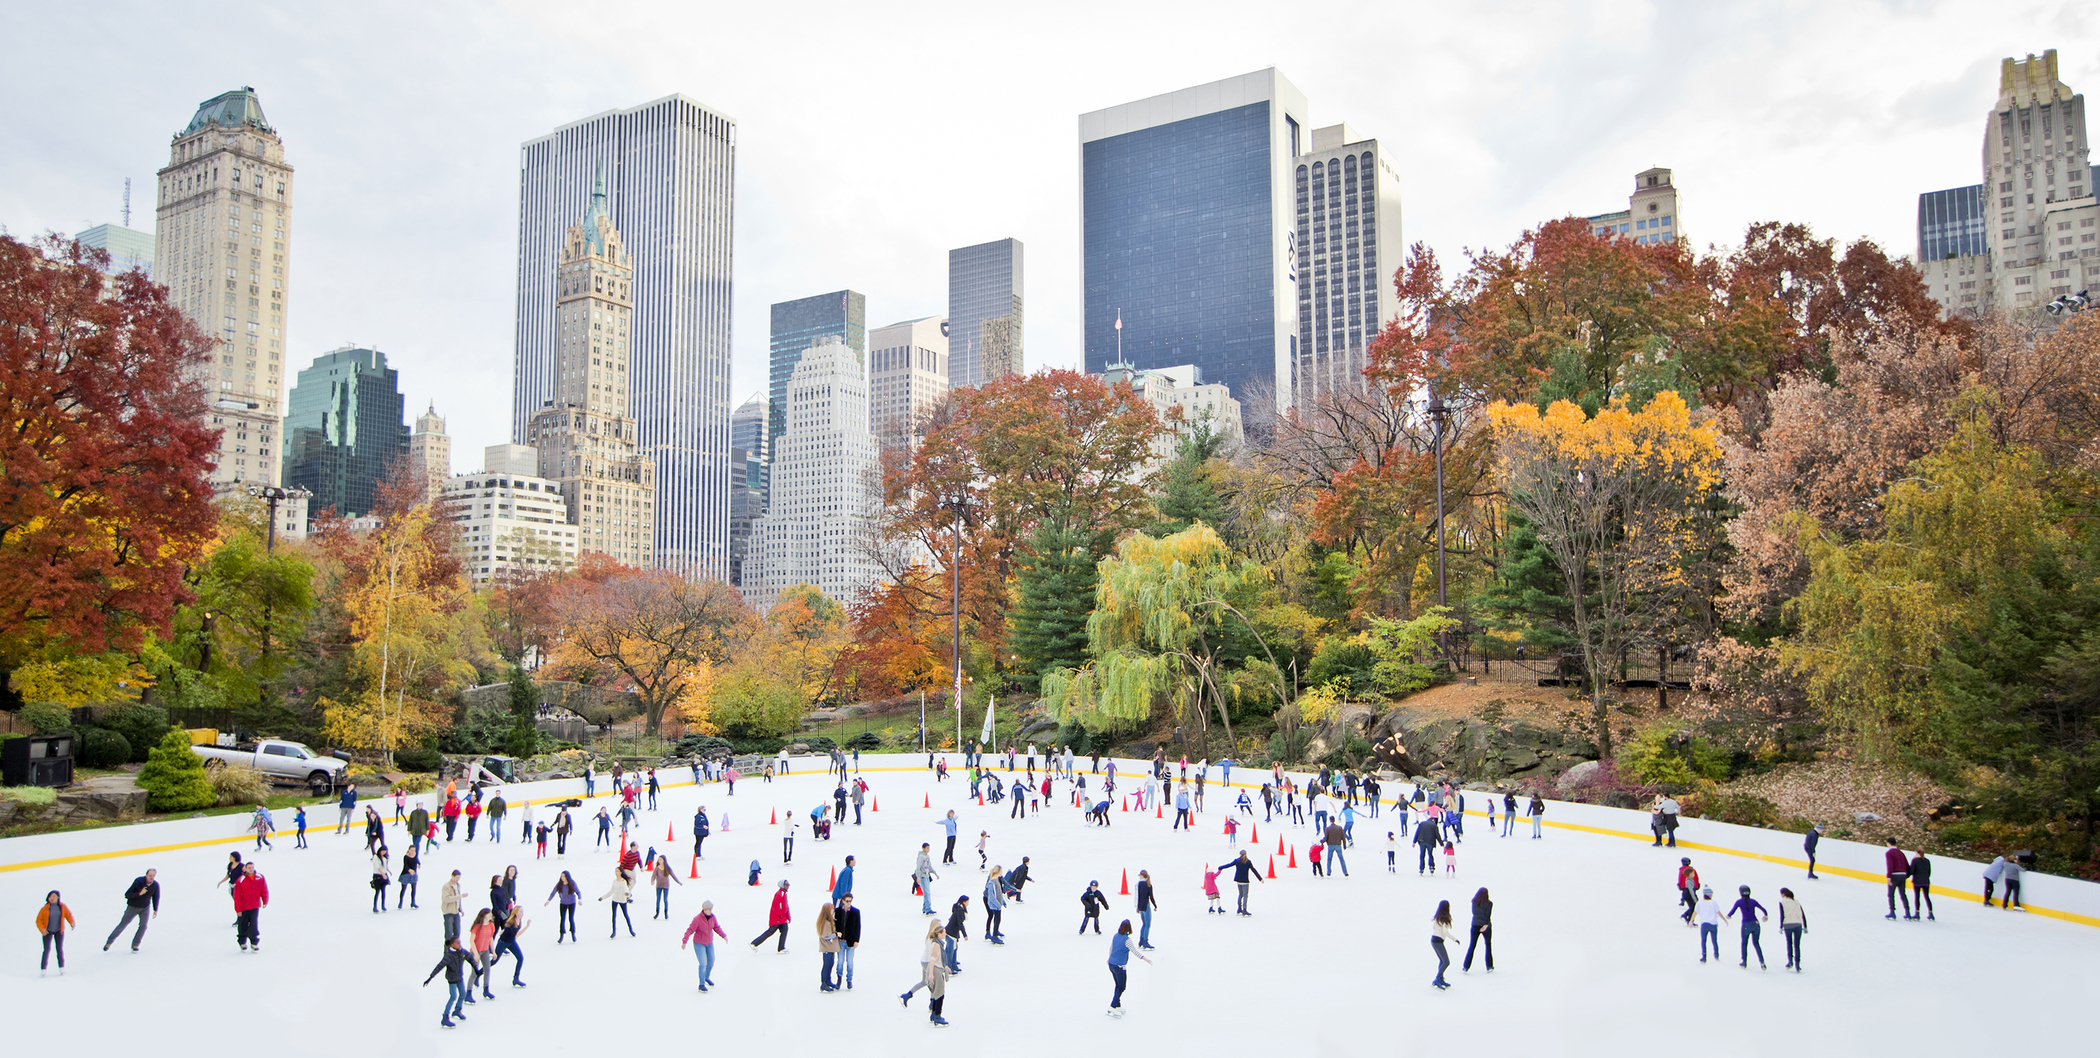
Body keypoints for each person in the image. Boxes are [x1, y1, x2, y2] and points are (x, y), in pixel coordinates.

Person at [422, 935, 479, 1027]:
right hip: (452, 979)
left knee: (463, 994)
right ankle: (445, 1017)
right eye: (458, 943)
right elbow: (439, 966)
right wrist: (430, 978)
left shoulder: (462, 952)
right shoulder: (449, 956)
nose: (460, 944)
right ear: (452, 945)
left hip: (459, 977)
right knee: (453, 996)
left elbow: (470, 959)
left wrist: (477, 970)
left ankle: (457, 1010)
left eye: (460, 942)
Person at [103, 869, 159, 952]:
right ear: (146, 875)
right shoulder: (138, 882)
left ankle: (135, 944)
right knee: (123, 925)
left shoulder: (155, 885)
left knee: (143, 926)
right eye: (150, 876)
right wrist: (139, 894)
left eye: (153, 876)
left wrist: (155, 909)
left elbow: (156, 896)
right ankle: (109, 942)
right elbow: (127, 894)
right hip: (133, 907)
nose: (151, 877)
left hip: (145, 908)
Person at [1106, 919, 1151, 1018]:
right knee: (1122, 987)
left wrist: (1109, 958)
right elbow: (1135, 951)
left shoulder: (1115, 936)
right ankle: (1112, 1006)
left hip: (1111, 964)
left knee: (1118, 985)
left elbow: (1111, 948)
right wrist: (1146, 959)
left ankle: (1117, 1005)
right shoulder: (1127, 940)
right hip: (1119, 966)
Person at [681, 900, 726, 991]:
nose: (710, 911)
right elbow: (690, 930)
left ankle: (706, 977)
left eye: (711, 909)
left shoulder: (712, 917)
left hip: (709, 943)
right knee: (703, 963)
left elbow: (716, 927)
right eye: (708, 909)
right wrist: (684, 941)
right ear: (704, 910)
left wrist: (723, 935)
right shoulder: (697, 919)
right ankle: (701, 984)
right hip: (699, 944)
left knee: (711, 961)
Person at [1726, 884, 1768, 969]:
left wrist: (1728, 916)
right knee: (1756, 943)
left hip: (1746, 924)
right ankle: (1762, 962)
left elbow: (1731, 913)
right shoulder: (1753, 901)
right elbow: (1764, 910)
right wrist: (1765, 916)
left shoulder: (1739, 902)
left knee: (1744, 943)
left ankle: (1744, 962)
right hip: (1755, 924)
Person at [489, 906, 529, 988]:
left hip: (511, 942)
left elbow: (510, 931)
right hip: (503, 943)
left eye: (522, 911)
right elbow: (516, 934)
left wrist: (504, 930)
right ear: (516, 913)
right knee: (494, 961)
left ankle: (516, 978)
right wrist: (527, 926)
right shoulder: (511, 922)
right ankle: (478, 973)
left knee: (520, 958)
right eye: (520, 911)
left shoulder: (519, 920)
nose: (522, 913)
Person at [233, 861, 268, 952]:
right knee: (242, 925)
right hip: (244, 907)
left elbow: (264, 889)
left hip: (255, 906)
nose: (251, 869)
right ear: (245, 868)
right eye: (249, 868)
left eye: (252, 867)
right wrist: (238, 909)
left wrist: (265, 900)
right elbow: (237, 896)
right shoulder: (240, 880)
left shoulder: (259, 877)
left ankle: (254, 943)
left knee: (254, 925)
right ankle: (242, 942)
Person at [36, 890, 73, 975]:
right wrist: (42, 929)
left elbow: (68, 915)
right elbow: (38, 920)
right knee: (46, 949)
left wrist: (72, 923)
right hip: (47, 931)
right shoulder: (44, 908)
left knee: (59, 949)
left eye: (54, 896)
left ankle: (61, 967)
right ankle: (43, 969)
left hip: (59, 931)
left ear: (58, 897)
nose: (52, 898)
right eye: (50, 897)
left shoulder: (62, 907)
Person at [750, 879, 792, 952]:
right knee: (770, 932)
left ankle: (781, 948)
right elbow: (775, 906)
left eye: (788, 884)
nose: (788, 886)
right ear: (782, 885)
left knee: (784, 930)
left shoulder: (784, 894)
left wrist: (787, 916)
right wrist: (781, 915)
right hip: (778, 919)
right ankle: (754, 943)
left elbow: (786, 906)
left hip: (782, 919)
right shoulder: (780, 894)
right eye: (786, 884)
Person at [466, 909, 499, 1000]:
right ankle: (468, 993)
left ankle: (486, 990)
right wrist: (475, 953)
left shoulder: (491, 925)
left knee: (487, 970)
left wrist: (493, 951)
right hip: (475, 951)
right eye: (489, 914)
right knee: (474, 973)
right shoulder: (477, 926)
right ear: (484, 915)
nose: (491, 915)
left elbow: (490, 938)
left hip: (485, 951)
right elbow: (471, 940)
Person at [1221, 850, 1265, 916]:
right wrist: (1260, 879)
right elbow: (1254, 870)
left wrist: (1221, 867)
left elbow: (1229, 865)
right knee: (1245, 896)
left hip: (1238, 880)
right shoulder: (1248, 862)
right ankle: (1244, 909)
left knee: (1240, 894)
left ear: (1240, 854)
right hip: (1245, 881)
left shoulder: (1237, 861)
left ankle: (1239, 908)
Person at [1462, 887, 1493, 972]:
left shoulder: (1474, 902)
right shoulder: (1489, 903)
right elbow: (1488, 915)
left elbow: (1474, 913)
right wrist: (1486, 924)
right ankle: (1489, 966)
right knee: (1488, 945)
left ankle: (1466, 966)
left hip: (1475, 925)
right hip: (1485, 926)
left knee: (1472, 945)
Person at [600, 867, 636, 938]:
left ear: (620, 872)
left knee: (626, 915)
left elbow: (626, 889)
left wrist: (626, 894)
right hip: (615, 900)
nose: (616, 873)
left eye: (617, 871)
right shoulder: (614, 881)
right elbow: (611, 892)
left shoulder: (623, 882)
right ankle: (613, 932)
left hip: (622, 900)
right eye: (615, 871)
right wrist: (602, 897)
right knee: (614, 916)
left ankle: (631, 930)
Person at [1777, 888, 1807, 972]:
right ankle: (1798, 964)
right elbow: (1802, 914)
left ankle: (1790, 961)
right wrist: (1805, 925)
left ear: (1783, 894)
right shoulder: (1796, 902)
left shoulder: (1782, 902)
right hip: (1798, 924)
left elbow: (1782, 915)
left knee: (1789, 943)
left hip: (1788, 925)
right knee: (1797, 945)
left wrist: (1781, 926)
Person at [835, 892, 862, 987]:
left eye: (850, 901)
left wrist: (856, 940)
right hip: (841, 941)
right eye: (847, 901)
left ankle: (849, 980)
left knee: (850, 962)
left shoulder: (855, 912)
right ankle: (839, 978)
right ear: (843, 901)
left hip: (850, 941)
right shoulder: (838, 911)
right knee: (840, 961)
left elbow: (858, 927)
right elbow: (835, 925)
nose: (849, 903)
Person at [1882, 837, 1912, 920]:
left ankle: (1892, 912)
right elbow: (1907, 866)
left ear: (1888, 843)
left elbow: (1890, 866)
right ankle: (1907, 912)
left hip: (1895, 875)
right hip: (1903, 875)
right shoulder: (1901, 853)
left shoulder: (1889, 853)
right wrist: (1906, 875)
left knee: (1891, 894)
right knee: (1903, 894)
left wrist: (1888, 877)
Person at [1429, 900, 1457, 990]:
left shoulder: (1437, 917)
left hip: (1434, 940)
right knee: (1446, 961)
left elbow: (1434, 928)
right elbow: (1445, 932)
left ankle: (1441, 979)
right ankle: (1437, 979)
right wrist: (1454, 939)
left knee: (1442, 960)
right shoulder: (1444, 918)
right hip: (1438, 941)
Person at [545, 871, 579, 942]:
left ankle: (573, 933)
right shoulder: (560, 884)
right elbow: (553, 892)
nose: (562, 878)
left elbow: (578, 891)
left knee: (571, 918)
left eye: (564, 876)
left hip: (572, 903)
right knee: (562, 918)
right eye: (562, 876)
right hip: (563, 903)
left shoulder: (572, 883)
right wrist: (548, 900)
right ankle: (561, 934)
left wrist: (580, 898)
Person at [816, 901, 842, 992]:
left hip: (830, 947)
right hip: (826, 947)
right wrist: (836, 935)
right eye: (832, 909)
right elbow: (826, 936)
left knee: (831, 963)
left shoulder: (830, 920)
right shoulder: (825, 923)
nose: (833, 911)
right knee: (826, 965)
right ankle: (823, 983)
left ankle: (828, 980)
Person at [650, 854, 683, 919]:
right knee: (658, 899)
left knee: (665, 899)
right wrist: (652, 881)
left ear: (664, 861)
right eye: (659, 859)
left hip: (666, 886)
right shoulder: (657, 868)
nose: (659, 861)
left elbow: (673, 875)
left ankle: (666, 913)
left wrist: (678, 882)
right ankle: (657, 912)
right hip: (658, 886)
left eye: (661, 859)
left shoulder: (667, 868)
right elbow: (653, 876)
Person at [943, 895, 970, 972]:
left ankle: (953, 964)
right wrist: (964, 934)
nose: (968, 904)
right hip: (951, 932)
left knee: (954, 949)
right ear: (964, 902)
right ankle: (949, 967)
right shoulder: (960, 910)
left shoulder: (957, 908)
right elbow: (959, 923)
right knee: (950, 950)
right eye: (967, 902)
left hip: (953, 932)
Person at [1695, 887, 1722, 963]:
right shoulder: (1713, 902)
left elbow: (1695, 912)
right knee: (1714, 941)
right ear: (1709, 895)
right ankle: (1716, 956)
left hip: (1704, 924)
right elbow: (1718, 912)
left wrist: (1691, 921)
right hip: (1713, 924)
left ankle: (1704, 956)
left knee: (1703, 941)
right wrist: (1725, 920)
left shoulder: (1699, 903)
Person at [1132, 869, 1157, 949]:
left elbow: (1137, 896)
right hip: (1146, 906)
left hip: (1140, 906)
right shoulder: (1148, 884)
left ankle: (1141, 940)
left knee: (1143, 924)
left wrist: (1137, 907)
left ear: (1142, 876)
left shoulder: (1138, 884)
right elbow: (1151, 897)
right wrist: (1155, 905)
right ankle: (1145, 941)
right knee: (1147, 924)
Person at [1909, 848, 1935, 921]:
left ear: (1917, 852)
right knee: (1927, 897)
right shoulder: (1927, 861)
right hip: (1926, 881)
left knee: (1917, 897)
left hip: (1917, 881)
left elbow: (1911, 871)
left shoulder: (1915, 860)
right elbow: (1929, 872)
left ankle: (1917, 913)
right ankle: (1931, 913)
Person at [916, 843, 938, 915]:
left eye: (929, 848)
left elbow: (929, 866)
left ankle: (925, 908)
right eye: (927, 848)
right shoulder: (921, 857)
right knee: (927, 893)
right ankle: (927, 909)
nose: (928, 850)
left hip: (927, 876)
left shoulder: (927, 856)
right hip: (923, 877)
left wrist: (935, 873)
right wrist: (918, 877)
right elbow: (918, 868)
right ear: (923, 848)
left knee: (927, 893)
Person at [1677, 858, 1701, 925]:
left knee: (1693, 907)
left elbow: (1680, 878)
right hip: (1689, 893)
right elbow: (1691, 890)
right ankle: (1689, 920)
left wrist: (1680, 885)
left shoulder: (1684, 871)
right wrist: (1697, 886)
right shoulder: (1689, 876)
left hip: (1687, 891)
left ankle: (1686, 916)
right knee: (1693, 907)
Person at [441, 870, 464, 940]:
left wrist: (460, 909)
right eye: (457, 878)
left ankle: (456, 948)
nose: (458, 880)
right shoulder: (446, 886)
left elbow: (458, 900)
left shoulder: (458, 885)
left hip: (456, 912)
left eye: (459, 878)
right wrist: (460, 896)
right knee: (449, 932)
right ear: (452, 876)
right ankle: (447, 949)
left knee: (457, 932)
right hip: (448, 912)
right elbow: (446, 899)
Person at [370, 843, 392, 913]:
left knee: (383, 891)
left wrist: (388, 871)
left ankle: (383, 905)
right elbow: (377, 867)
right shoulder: (376, 857)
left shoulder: (385, 858)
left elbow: (385, 866)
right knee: (377, 891)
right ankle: (375, 906)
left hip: (384, 875)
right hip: (378, 875)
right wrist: (383, 874)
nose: (383, 853)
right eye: (382, 851)